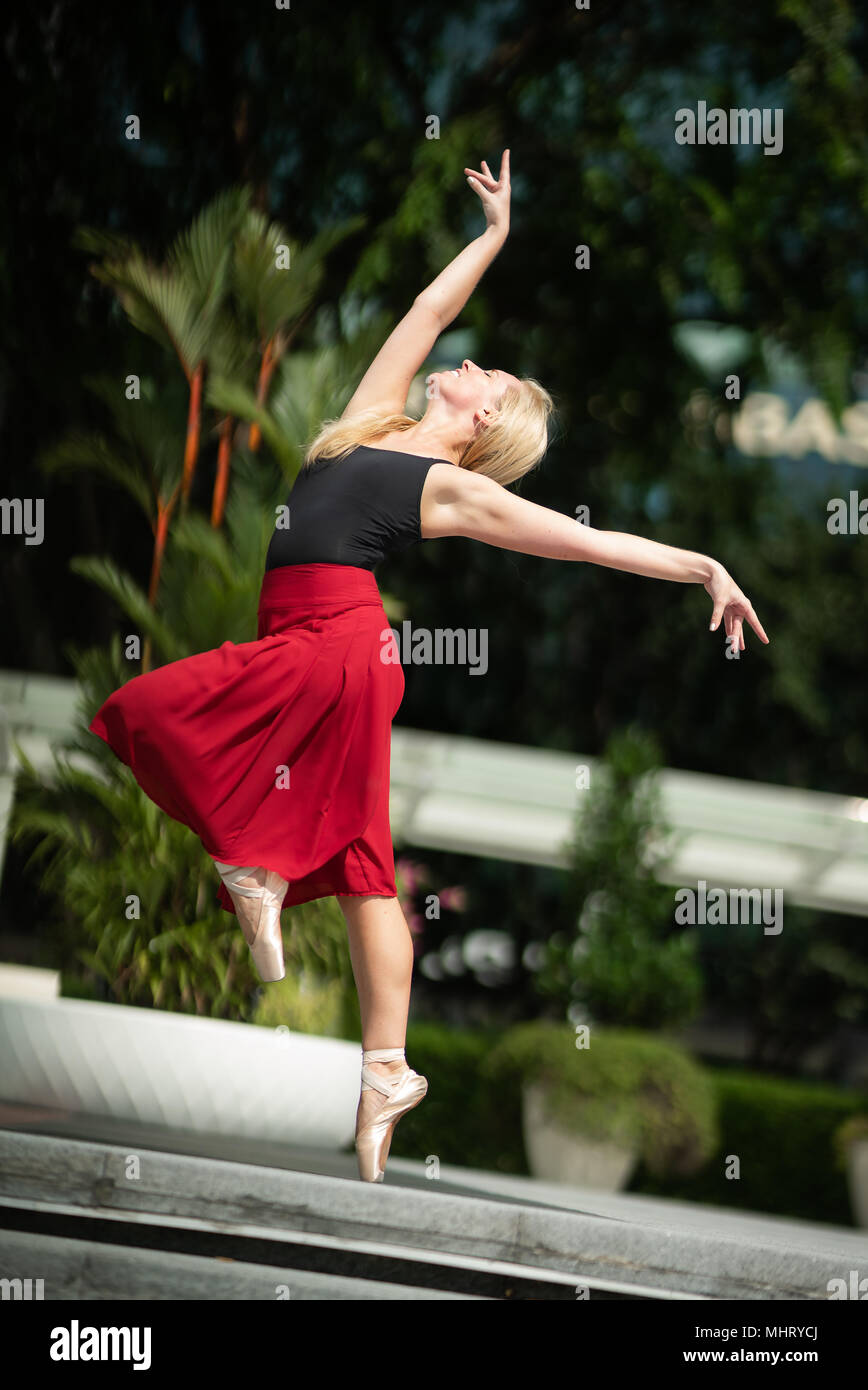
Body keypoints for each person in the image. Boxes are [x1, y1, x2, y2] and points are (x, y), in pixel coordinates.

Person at [89, 150, 769, 1183]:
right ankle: (387, 1068)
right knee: (364, 869)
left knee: (150, 704)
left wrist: (701, 564)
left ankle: (259, 864)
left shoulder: (448, 486)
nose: (467, 363)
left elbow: (584, 542)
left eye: (484, 373)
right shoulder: (375, 417)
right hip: (303, 642)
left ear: (487, 416)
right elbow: (425, 305)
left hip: (339, 648)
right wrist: (494, 236)